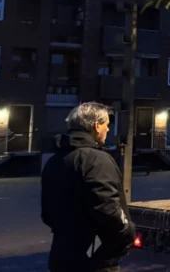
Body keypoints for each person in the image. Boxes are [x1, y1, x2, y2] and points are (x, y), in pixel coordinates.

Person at [41, 102, 136, 272]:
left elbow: (47, 213)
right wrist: (127, 231)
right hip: (93, 258)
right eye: (107, 125)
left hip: (61, 255)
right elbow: (108, 208)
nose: (108, 129)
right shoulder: (96, 159)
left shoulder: (54, 161)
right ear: (96, 126)